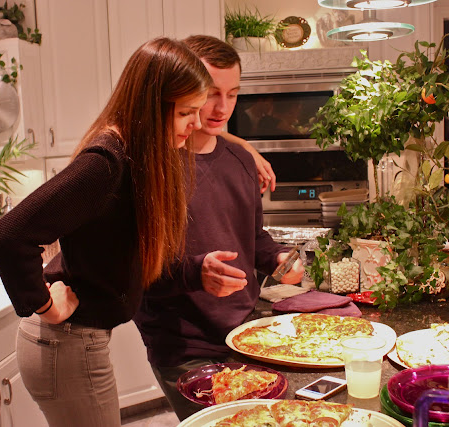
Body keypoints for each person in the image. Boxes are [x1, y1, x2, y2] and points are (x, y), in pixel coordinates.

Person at [0, 37, 213, 427]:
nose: (197, 124)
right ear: (151, 106)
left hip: (75, 342)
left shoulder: (135, 153)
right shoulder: (105, 163)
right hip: (67, 342)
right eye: (186, 113)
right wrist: (45, 305)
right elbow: (8, 237)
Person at [133, 35, 304, 421]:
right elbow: (136, 269)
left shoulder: (240, 159)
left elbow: (254, 238)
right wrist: (198, 272)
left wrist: (280, 259)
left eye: (233, 94)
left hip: (246, 334)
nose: (223, 108)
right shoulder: (154, 166)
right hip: (183, 346)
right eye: (211, 93)